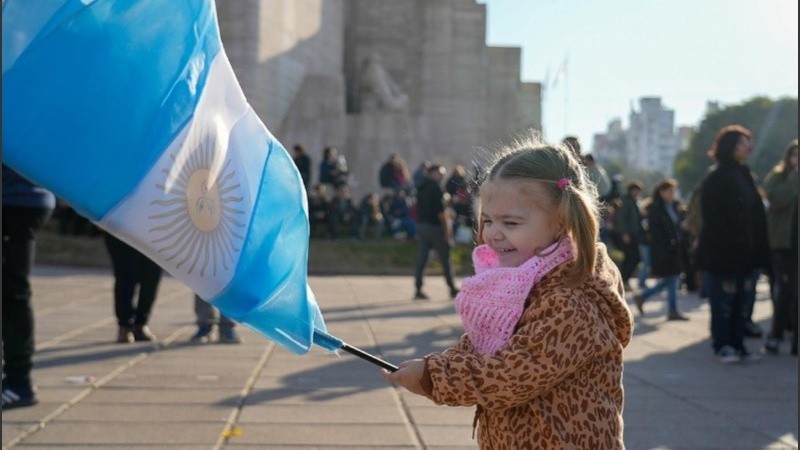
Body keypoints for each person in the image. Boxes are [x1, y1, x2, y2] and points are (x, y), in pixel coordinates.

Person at [382, 137, 633, 448]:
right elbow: (484, 344)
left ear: (561, 223)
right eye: (487, 220)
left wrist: (434, 376)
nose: (493, 233)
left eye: (511, 223)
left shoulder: (570, 301)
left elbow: (510, 375)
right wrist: (435, 364)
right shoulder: (527, 282)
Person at [695, 125, 770, 364]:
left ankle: (738, 343)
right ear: (730, 147)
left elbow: (756, 214)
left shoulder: (746, 175)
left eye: (749, 142)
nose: (748, 146)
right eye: (742, 142)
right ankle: (723, 344)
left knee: (743, 301)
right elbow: (713, 220)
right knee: (723, 302)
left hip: (746, 252)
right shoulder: (717, 177)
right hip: (724, 254)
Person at [2, 166, 55, 410]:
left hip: (15, 198)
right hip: (22, 196)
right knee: (12, 292)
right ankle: (17, 381)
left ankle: (19, 383)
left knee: (12, 294)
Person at [632, 179, 689, 321]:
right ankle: (671, 310)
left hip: (674, 248)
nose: (672, 193)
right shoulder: (655, 208)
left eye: (673, 191)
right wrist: (667, 243)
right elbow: (655, 232)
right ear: (662, 192)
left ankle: (644, 297)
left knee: (671, 279)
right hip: (664, 249)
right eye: (669, 191)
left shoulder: (674, 206)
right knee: (672, 278)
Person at [762, 139, 798, 354]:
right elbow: (776, 200)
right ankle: (776, 334)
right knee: (785, 292)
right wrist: (795, 177)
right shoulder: (778, 177)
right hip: (785, 245)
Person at [104, 232, 163, 343]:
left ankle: (141, 323)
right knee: (126, 276)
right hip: (123, 229)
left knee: (151, 277)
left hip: (154, 231)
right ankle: (125, 325)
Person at [413, 164, 459, 300]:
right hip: (435, 226)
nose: (442, 176)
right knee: (445, 258)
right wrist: (447, 231)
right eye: (440, 173)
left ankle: (418, 288)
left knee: (423, 258)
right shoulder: (437, 188)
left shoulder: (421, 187)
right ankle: (452, 288)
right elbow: (441, 213)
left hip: (422, 225)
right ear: (432, 173)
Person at [614, 180, 645, 290]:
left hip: (634, 234)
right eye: (636, 190)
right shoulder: (626, 202)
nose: (638, 193)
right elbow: (621, 219)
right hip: (628, 235)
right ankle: (623, 280)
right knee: (633, 257)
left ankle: (623, 280)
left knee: (633, 258)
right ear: (631, 190)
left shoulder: (634, 201)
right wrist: (624, 233)